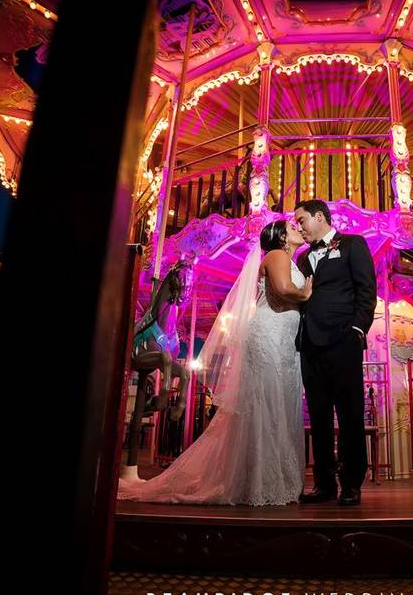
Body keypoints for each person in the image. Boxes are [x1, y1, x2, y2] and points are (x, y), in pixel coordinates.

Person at [117, 220, 312, 505]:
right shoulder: (277, 255)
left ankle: (267, 478)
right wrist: (306, 293)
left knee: (274, 406)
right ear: (281, 237)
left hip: (281, 339)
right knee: (265, 405)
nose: (298, 229)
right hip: (269, 335)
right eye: (293, 227)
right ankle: (259, 481)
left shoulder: (286, 258)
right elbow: (283, 290)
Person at [294, 199, 377, 507]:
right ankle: (324, 484)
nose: (299, 227)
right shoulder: (303, 257)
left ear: (320, 217)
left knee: (350, 413)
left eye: (302, 220)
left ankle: (352, 484)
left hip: (343, 340)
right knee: (318, 416)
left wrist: (357, 330)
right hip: (309, 344)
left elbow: (367, 290)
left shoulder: (353, 244)